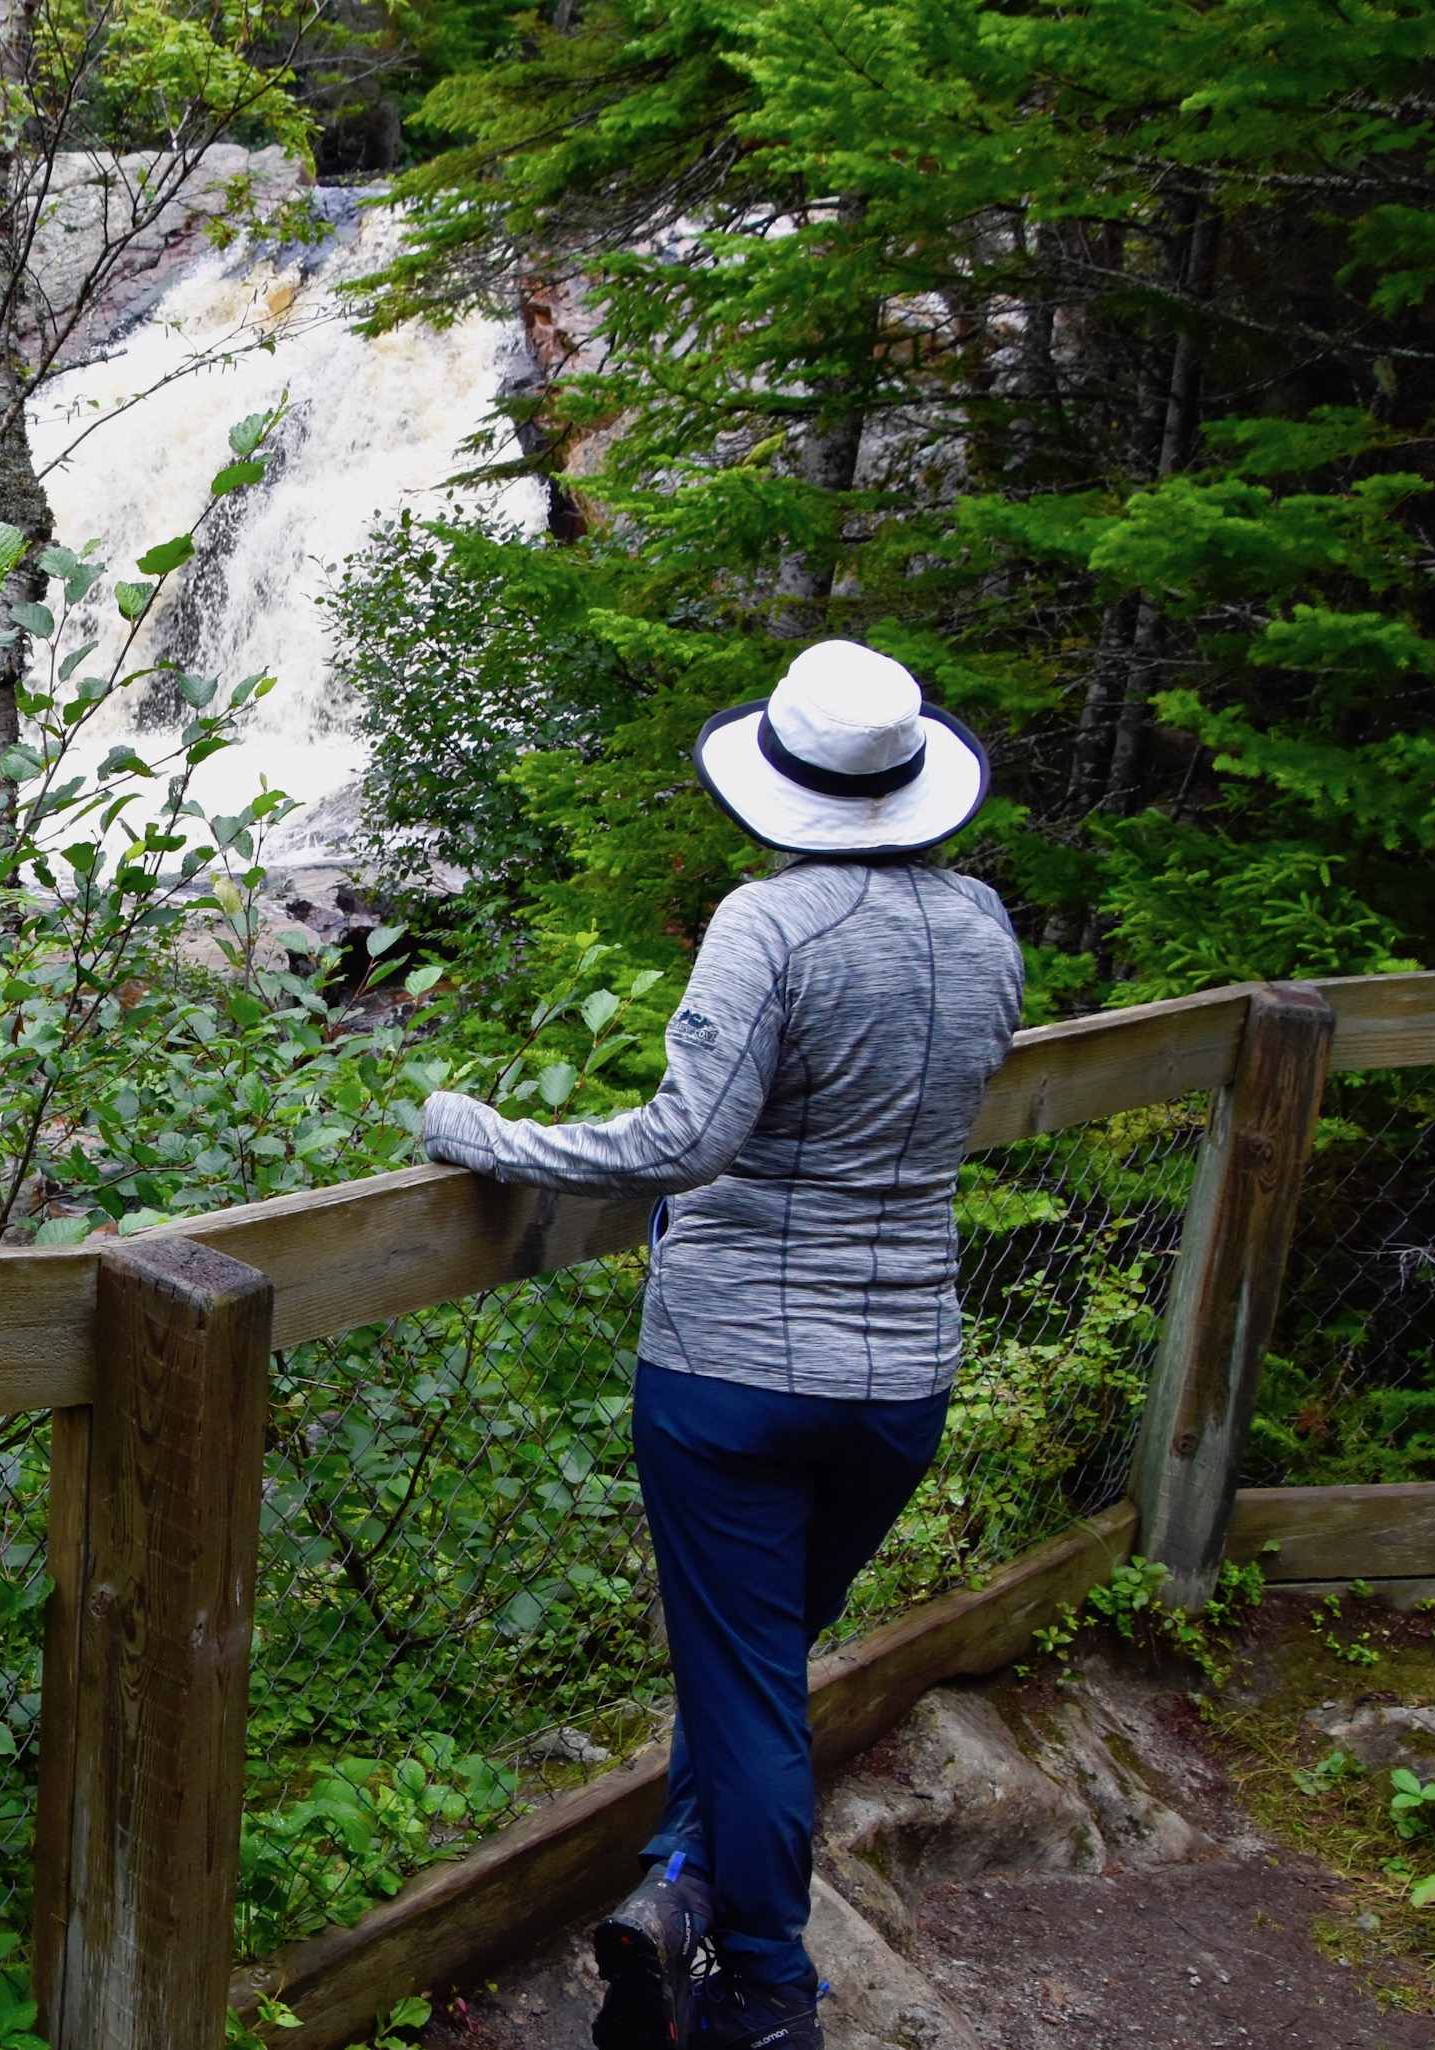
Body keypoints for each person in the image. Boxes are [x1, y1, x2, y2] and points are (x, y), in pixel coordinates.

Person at [419, 641, 1025, 2050]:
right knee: (753, 1663)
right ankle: (682, 1880)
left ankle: (768, 1994)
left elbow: (683, 1140)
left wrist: (481, 1132)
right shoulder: (983, 923)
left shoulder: (769, 925)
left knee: (749, 1677)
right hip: (902, 1377)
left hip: (737, 1374)